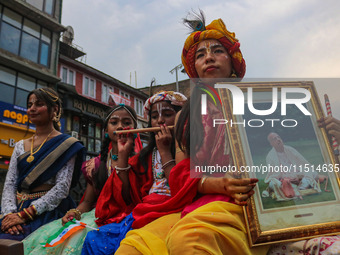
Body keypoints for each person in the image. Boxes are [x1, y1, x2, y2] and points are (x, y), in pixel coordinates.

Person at [115, 11, 268, 255]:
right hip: (199, 200)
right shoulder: (187, 117)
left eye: (217, 51)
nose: (209, 57)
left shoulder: (259, 103)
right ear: (194, 69)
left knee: (188, 241)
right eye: (201, 54)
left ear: (232, 63)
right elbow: (179, 174)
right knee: (133, 247)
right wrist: (216, 184)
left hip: (248, 199)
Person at [22, 104, 139, 254]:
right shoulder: (96, 165)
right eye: (114, 122)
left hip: (127, 219)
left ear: (136, 129)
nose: (121, 126)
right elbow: (87, 202)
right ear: (106, 131)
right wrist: (75, 213)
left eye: (127, 123)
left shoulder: (141, 162)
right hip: (96, 216)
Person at [81, 91, 187, 254]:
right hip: (144, 211)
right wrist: (123, 155)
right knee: (94, 241)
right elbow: (125, 196)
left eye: (167, 114)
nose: (159, 120)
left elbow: (180, 186)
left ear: (181, 119)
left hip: (174, 211)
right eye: (154, 116)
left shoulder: (188, 149)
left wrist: (165, 151)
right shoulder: (145, 156)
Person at [0, 88, 86, 241]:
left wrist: (24, 215)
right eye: (29, 104)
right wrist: (9, 216)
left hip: (48, 212)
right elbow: (10, 183)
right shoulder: (20, 145)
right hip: (16, 209)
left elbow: (61, 188)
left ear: (55, 110)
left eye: (39, 104)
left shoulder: (66, 145)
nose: (32, 108)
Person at [263, 132, 321, 201]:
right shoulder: (270, 156)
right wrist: (288, 179)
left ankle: (299, 188)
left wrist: (298, 177)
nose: (278, 139)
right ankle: (300, 187)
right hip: (284, 180)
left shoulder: (290, 149)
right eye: (274, 139)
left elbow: (302, 163)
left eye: (278, 137)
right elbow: (275, 174)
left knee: (314, 173)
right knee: (274, 183)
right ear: (271, 144)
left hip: (297, 175)